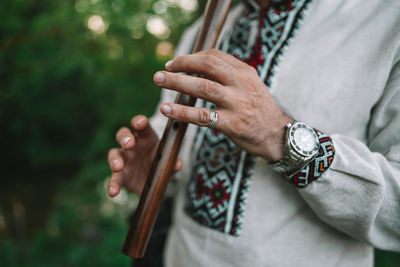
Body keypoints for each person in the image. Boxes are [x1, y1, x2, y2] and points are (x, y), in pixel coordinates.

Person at [107, 0, 400, 266]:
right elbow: (176, 142)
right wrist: (154, 170)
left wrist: (279, 136)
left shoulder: (388, 22)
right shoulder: (200, 32)